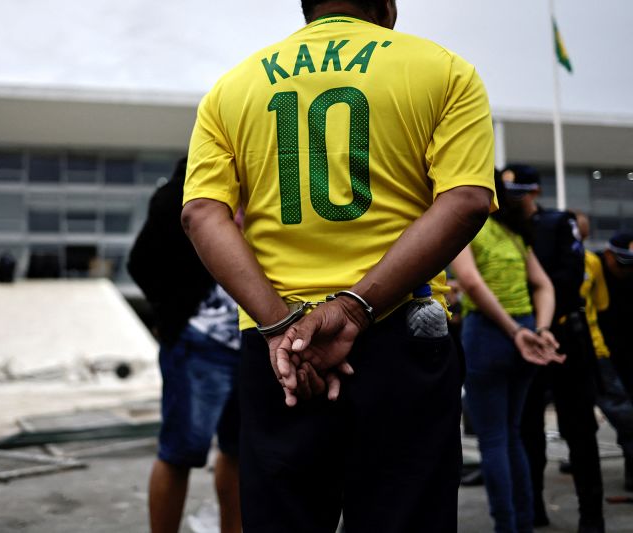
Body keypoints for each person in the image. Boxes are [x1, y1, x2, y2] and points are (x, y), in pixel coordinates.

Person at [181, 1, 499, 530]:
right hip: (402, 334)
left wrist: (281, 325)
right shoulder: (443, 69)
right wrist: (352, 311)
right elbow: (465, 200)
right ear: (387, 4)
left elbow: (200, 214)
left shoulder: (232, 87)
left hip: (281, 354)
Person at [127, 158, 242, 533]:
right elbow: (140, 262)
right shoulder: (181, 192)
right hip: (198, 342)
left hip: (255, 339)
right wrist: (171, 317)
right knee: (179, 453)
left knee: (239, 454)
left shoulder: (263, 186)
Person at [451, 171, 563, 533]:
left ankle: (507, 527)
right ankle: (525, 524)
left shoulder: (467, 225)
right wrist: (538, 329)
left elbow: (469, 280)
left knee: (495, 439)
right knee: (512, 434)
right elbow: (544, 286)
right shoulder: (513, 234)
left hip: (490, 335)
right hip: (526, 332)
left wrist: (515, 332)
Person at [505, 164, 606, 533]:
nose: (513, 202)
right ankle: (534, 508)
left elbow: (569, 275)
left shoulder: (558, 223)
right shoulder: (503, 231)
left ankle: (591, 515)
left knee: (579, 429)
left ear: (534, 193)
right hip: (524, 338)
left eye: (520, 194)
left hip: (564, 336)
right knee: (527, 428)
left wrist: (537, 304)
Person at [596, 230, 633, 491]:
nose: (626, 271)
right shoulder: (593, 266)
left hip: (629, 350)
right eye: (623, 265)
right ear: (609, 255)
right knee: (623, 413)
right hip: (603, 352)